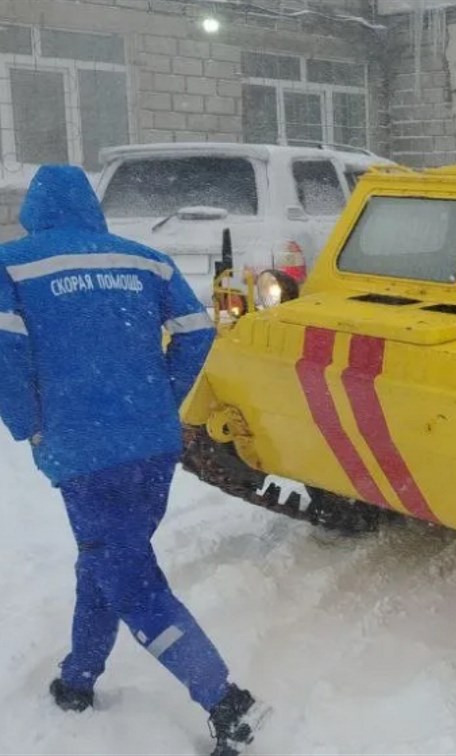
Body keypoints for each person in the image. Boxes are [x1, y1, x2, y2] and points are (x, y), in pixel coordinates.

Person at [0, 165, 268, 756]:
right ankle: (78, 679)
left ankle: (226, 702)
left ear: (36, 210)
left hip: (86, 449)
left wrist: (32, 424)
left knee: (128, 575)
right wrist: (160, 397)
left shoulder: (13, 265)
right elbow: (199, 332)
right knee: (111, 558)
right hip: (150, 445)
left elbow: (4, 351)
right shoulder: (144, 259)